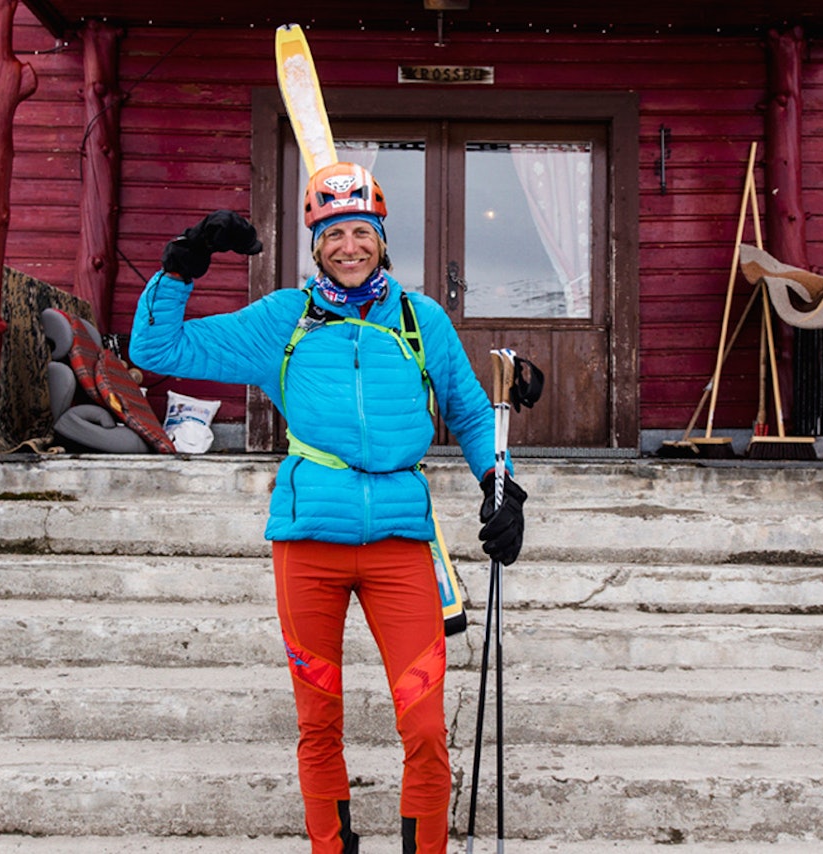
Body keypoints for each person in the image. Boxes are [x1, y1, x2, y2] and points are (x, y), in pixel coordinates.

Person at [128, 161, 526, 854]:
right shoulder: (285, 319)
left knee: (425, 725)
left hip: (402, 545)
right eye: (335, 233)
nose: (350, 246)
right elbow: (157, 347)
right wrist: (182, 266)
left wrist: (503, 485)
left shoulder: (419, 319)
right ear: (316, 244)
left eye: (362, 232)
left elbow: (468, 411)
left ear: (381, 239)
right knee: (319, 722)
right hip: (307, 541)